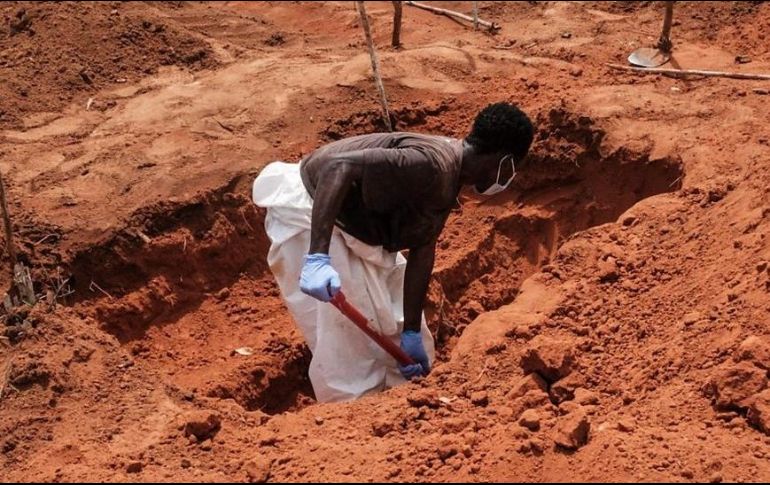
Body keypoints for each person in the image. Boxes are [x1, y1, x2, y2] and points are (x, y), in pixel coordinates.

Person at [252, 102, 534, 402]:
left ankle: (403, 402)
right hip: (315, 215)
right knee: (349, 346)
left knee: (395, 320)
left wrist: (411, 331)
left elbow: (423, 251)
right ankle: (354, 420)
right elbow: (338, 167)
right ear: (503, 162)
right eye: (512, 168)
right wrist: (318, 257)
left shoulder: (450, 177)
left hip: (358, 231)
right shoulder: (430, 164)